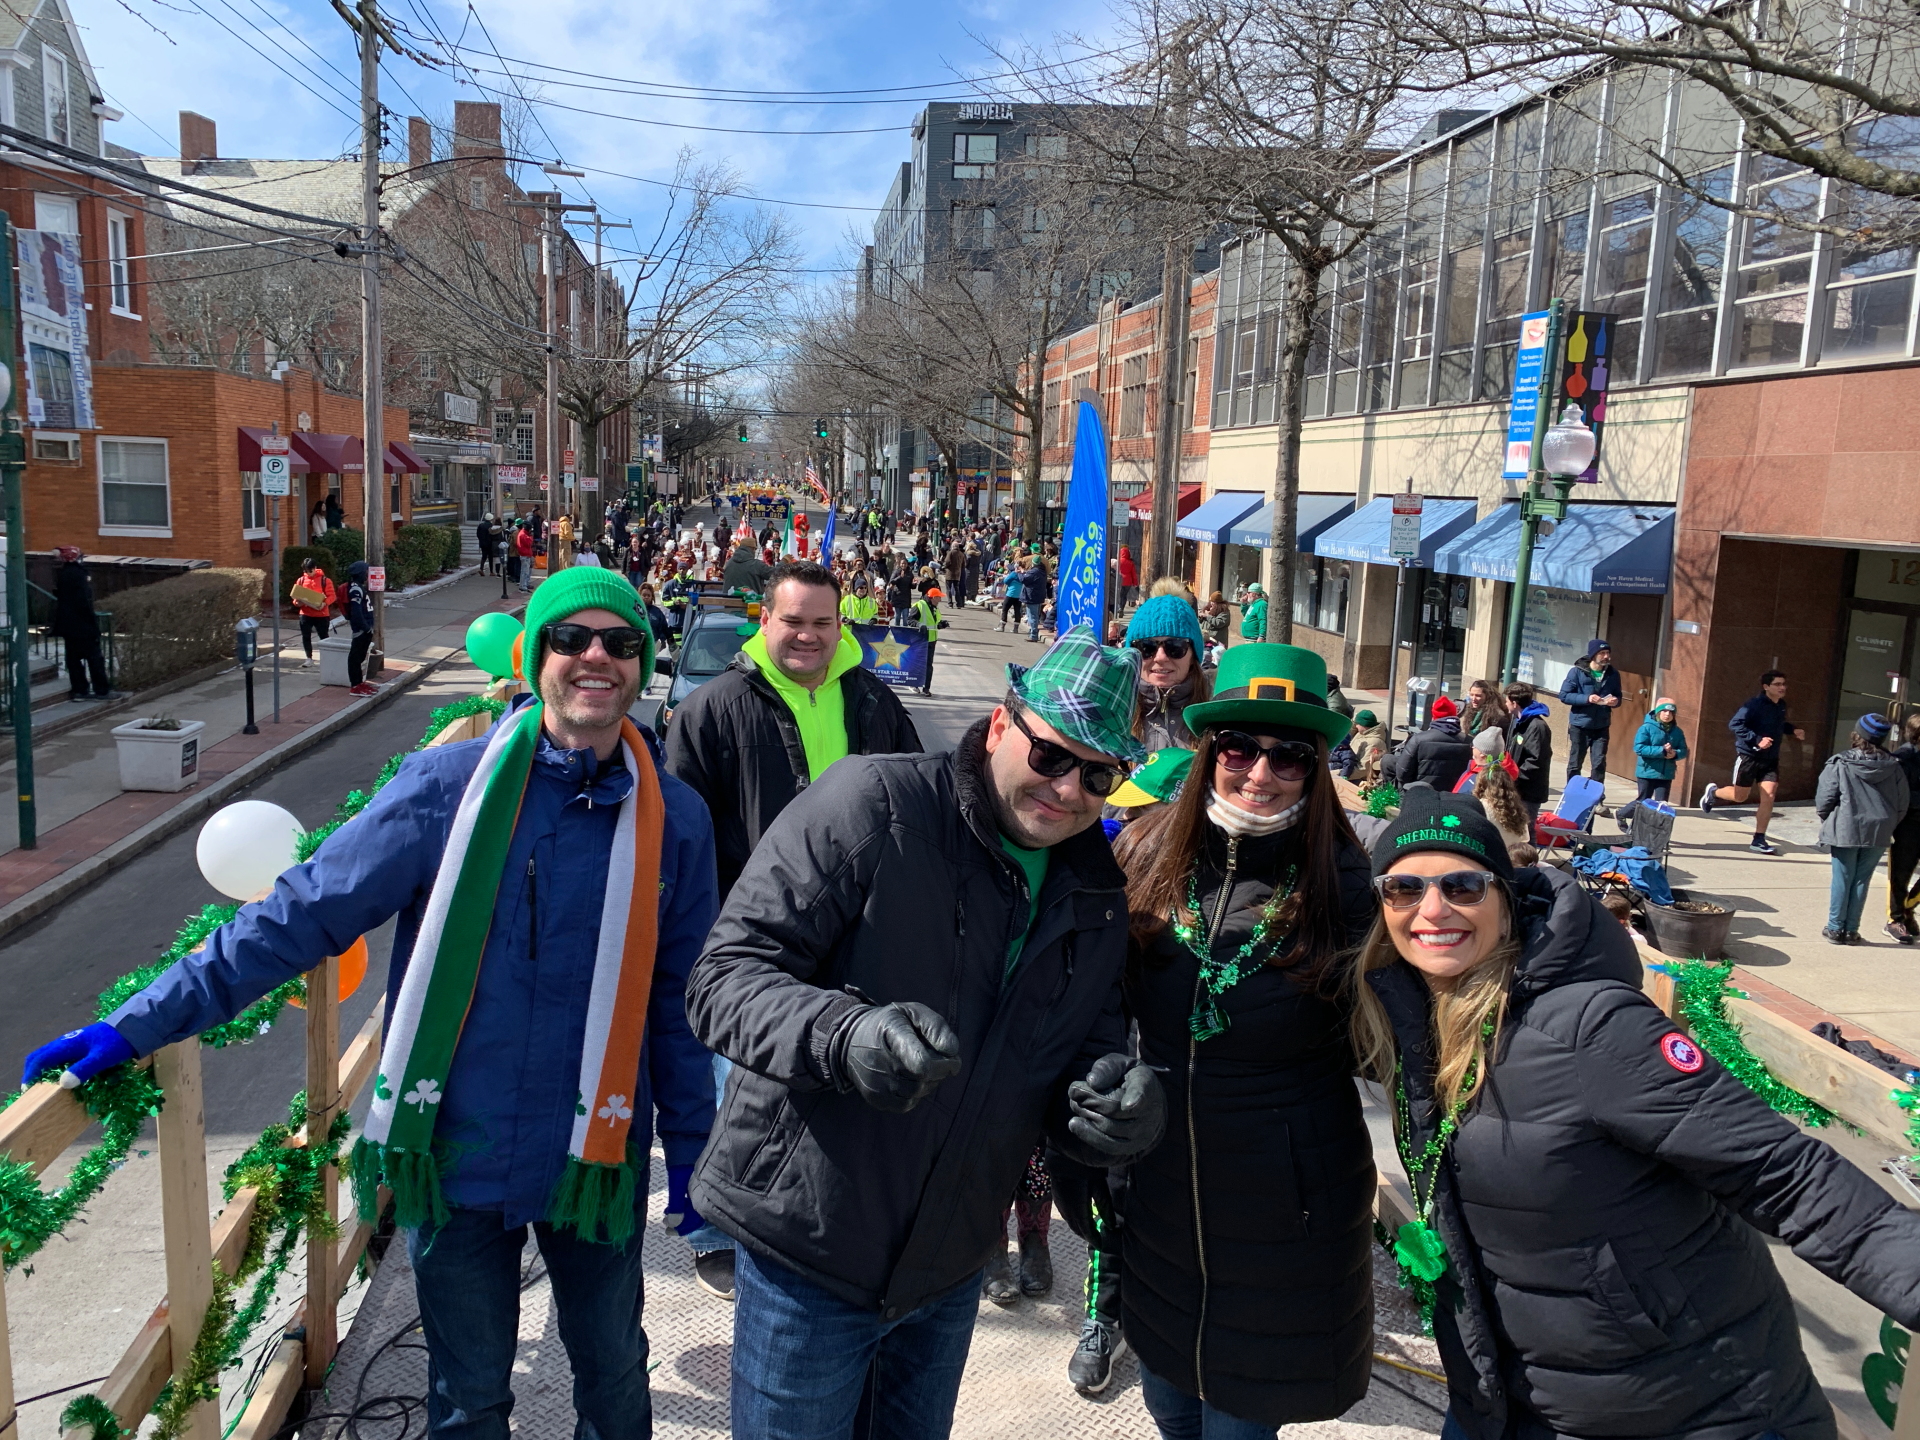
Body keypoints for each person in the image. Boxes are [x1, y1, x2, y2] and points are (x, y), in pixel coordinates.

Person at [22, 567, 721, 1440]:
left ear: (640, 664)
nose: (594, 658)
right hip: (454, 1156)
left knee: (615, 1381)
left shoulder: (678, 819)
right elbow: (296, 917)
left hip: (595, 1160)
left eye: (619, 643)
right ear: (534, 654)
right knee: (469, 1401)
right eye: (568, 638)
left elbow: (682, 1006)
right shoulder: (445, 790)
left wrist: (697, 1156)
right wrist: (137, 1023)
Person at [685, 626, 1167, 1440]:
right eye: (1052, 756)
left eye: (1098, 774)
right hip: (813, 1249)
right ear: (1002, 721)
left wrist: (1115, 1114)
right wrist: (845, 1035)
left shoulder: (1098, 895)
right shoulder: (873, 802)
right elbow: (723, 977)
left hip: (949, 1269)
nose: (1067, 790)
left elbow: (1085, 1054)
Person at [1351, 788, 1920, 1440]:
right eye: (1403, 889)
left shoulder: (1589, 1026)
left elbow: (1785, 1175)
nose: (1432, 909)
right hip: (1514, 1398)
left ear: (1506, 903)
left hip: (1700, 1409)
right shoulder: (1411, 1023)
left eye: (1463, 886)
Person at [1106, 643, 1376, 1435]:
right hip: (1160, 1196)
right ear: (1208, 750)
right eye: (1239, 747)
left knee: (1237, 1423)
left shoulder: (1349, 885)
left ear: (1316, 767)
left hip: (1282, 1217)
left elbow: (1411, 1037)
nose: (1260, 772)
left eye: (1289, 755)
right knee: (1166, 1403)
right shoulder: (1146, 852)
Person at [668, 558, 922, 900]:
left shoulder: (878, 703)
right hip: (752, 925)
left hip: (860, 923)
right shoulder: (707, 711)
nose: (807, 635)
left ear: (838, 626)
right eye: (793, 621)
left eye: (821, 622)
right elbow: (679, 838)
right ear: (766, 621)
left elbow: (916, 808)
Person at [1816, 712, 1908, 944]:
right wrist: (1887, 823)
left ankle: (1836, 928)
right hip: (1879, 828)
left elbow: (1825, 799)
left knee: (1842, 878)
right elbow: (1901, 803)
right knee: (1861, 879)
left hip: (1846, 825)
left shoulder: (1841, 762)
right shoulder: (1894, 766)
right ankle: (1851, 930)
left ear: (1857, 734)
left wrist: (1830, 819)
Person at [1700, 670, 1807, 854]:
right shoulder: (1754, 705)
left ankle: (1758, 839)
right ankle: (1714, 792)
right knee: (1740, 796)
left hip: (1770, 760)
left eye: (1784, 684)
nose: (1782, 688)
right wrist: (1757, 739)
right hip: (1749, 757)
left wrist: (1793, 730)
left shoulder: (1781, 705)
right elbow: (1735, 724)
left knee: (1769, 796)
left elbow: (1778, 725)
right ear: (1766, 687)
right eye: (1778, 684)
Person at [1124, 593, 1212, 752]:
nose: (1160, 657)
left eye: (1175, 647)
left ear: (1194, 655)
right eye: (1146, 647)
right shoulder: (1114, 713)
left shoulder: (1215, 713)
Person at [51, 546, 111, 700]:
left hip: (67, 625)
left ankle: (80, 690)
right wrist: (92, 624)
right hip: (83, 625)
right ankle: (101, 690)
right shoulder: (79, 574)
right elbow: (84, 601)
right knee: (94, 658)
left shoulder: (62, 574)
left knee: (73, 659)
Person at [1558, 639, 1622, 782]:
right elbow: (1564, 695)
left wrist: (1615, 702)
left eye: (1608, 653)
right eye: (1602, 653)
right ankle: (1572, 794)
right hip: (1580, 725)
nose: (1606, 657)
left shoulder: (1613, 674)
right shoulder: (1577, 672)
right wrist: (1587, 698)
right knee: (1575, 763)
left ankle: (1597, 798)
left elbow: (1618, 696)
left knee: (1599, 763)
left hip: (1601, 725)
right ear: (1593, 655)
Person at [1382, 693, 1472, 792]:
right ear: (1455, 715)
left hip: (1420, 793)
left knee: (1387, 760)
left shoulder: (1418, 739)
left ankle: (1393, 799)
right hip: (1455, 793)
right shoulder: (1469, 741)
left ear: (1434, 716)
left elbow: (1402, 774)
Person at [1888, 713, 1920, 944]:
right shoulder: (1903, 757)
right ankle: (1896, 919)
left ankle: (1908, 906)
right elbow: (1901, 796)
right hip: (1907, 825)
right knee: (1900, 875)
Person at [1504, 682, 1553, 823]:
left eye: (1507, 701)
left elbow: (1535, 761)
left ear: (1514, 703)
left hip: (1529, 792)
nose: (1505, 704)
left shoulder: (1536, 727)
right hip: (1518, 788)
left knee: (1526, 831)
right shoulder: (1519, 721)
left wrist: (1514, 776)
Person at [1631, 698, 1689, 803]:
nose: (1667, 714)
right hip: (1647, 772)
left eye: (1671, 712)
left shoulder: (1677, 731)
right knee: (1643, 802)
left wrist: (1675, 754)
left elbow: (1684, 750)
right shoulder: (1646, 728)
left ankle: (1655, 820)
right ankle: (1621, 813)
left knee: (1661, 804)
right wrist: (1661, 750)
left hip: (1666, 773)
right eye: (1664, 711)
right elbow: (1639, 748)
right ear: (1658, 712)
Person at [291, 555, 337, 670]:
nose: (308, 573)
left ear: (315, 568)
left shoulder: (325, 580)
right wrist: (297, 603)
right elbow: (296, 597)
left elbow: (332, 596)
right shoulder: (301, 580)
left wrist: (325, 603)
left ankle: (326, 658)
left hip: (321, 614)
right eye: (306, 571)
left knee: (324, 637)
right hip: (305, 613)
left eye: (310, 570)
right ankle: (309, 658)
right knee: (306, 636)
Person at [344, 561, 378, 695]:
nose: (367, 575)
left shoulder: (359, 587)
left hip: (366, 629)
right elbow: (356, 612)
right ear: (360, 574)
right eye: (366, 572)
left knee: (360, 657)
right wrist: (365, 627)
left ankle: (360, 683)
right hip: (361, 630)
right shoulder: (355, 589)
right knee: (355, 658)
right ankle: (355, 686)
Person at [911, 577, 948, 696]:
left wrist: (941, 625)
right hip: (920, 640)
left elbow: (935, 624)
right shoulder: (919, 605)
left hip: (931, 640)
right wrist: (919, 624)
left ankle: (926, 688)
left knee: (928, 665)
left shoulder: (935, 608)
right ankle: (914, 684)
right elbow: (910, 620)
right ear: (933, 598)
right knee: (918, 662)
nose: (940, 599)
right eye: (939, 597)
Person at [1346, 708, 1387, 784]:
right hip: (1349, 769)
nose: (1356, 726)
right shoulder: (1361, 733)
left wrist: (1340, 775)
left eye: (1357, 724)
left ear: (1364, 725)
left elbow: (1363, 769)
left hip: (1360, 780)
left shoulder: (1374, 742)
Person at [1020, 558, 1051, 643]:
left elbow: (1024, 580)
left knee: (1032, 616)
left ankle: (1033, 635)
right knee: (1035, 616)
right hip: (1038, 596)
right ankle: (1032, 633)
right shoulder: (1042, 571)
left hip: (1032, 596)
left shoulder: (1034, 572)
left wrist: (1021, 572)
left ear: (1033, 563)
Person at [997, 562, 1026, 633]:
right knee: (1017, 611)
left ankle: (1002, 626)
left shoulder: (1014, 574)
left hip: (1011, 594)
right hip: (1019, 595)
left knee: (1005, 609)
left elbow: (1005, 581)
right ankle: (1015, 628)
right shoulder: (1024, 574)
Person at [1115, 544, 1139, 611]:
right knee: (1124, 595)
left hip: (1120, 580)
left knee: (1119, 594)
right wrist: (1135, 583)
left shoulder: (1118, 561)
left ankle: (1118, 607)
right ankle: (1122, 608)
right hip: (1128, 581)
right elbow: (1133, 574)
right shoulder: (1131, 563)